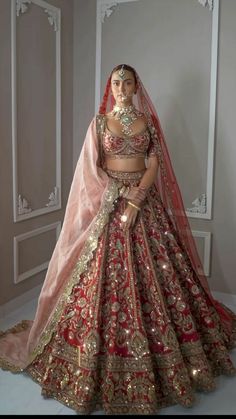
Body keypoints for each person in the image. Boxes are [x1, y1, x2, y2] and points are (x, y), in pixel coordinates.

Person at [0, 64, 235, 415]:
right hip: (109, 205)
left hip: (144, 203)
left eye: (128, 82)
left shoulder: (148, 122)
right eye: (116, 82)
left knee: (162, 277)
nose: (122, 87)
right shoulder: (99, 123)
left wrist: (138, 197)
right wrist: (118, 197)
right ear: (109, 87)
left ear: (137, 85)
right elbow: (89, 169)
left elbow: (154, 161)